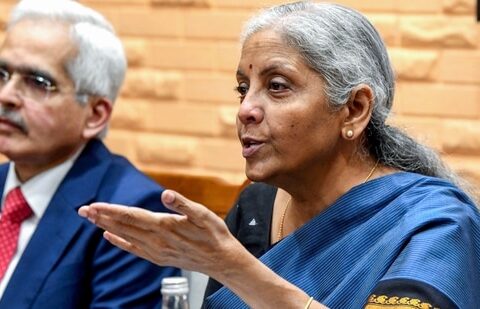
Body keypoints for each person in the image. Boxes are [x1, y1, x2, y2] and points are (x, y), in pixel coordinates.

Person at [78, 1, 480, 308]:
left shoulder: (433, 226)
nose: (245, 109)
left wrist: (236, 268)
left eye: (277, 86)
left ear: (354, 109)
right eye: (243, 87)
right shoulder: (257, 205)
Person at [0, 0, 180, 307]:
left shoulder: (128, 213)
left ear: (95, 114)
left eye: (37, 82)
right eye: (3, 74)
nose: (6, 96)